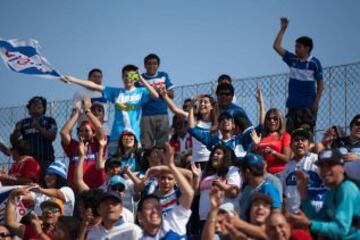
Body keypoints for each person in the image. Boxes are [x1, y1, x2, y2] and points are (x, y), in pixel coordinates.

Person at [62, 64, 159, 154]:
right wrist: (73, 79)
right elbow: (95, 86)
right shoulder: (115, 92)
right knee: (113, 166)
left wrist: (141, 79)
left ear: (135, 78)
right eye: (125, 75)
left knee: (132, 167)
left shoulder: (141, 92)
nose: (128, 78)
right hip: (116, 136)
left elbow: (155, 95)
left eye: (131, 76)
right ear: (122, 77)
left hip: (133, 137)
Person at [288, 149, 360, 239]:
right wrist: (304, 193)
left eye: (330, 165)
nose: (325, 169)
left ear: (342, 168)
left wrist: (309, 223)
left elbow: (341, 230)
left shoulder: (347, 189)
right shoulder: (332, 190)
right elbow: (320, 219)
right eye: (321, 166)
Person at [273, 17, 324, 133]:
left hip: (307, 107)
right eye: (295, 46)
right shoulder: (292, 60)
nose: (296, 49)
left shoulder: (314, 63)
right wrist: (283, 29)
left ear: (307, 48)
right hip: (293, 107)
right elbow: (276, 46)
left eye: (299, 47)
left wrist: (316, 102)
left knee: (305, 135)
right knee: (290, 137)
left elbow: (321, 84)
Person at [136, 143, 195, 239]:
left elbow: (189, 183)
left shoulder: (174, 221)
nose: (166, 182)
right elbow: (138, 188)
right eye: (163, 178)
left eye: (170, 178)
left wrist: (169, 166)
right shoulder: (142, 237)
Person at [162, 91, 218, 168]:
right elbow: (175, 110)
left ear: (212, 106)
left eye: (205, 102)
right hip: (197, 161)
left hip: (210, 159)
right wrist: (165, 96)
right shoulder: (194, 119)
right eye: (201, 102)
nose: (202, 104)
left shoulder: (216, 123)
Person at [10, 96, 57, 184]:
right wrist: (16, 130)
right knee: (29, 185)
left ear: (43, 108)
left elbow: (52, 136)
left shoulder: (50, 121)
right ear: (29, 109)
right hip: (28, 162)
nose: (36, 104)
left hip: (46, 159)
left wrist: (38, 128)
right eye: (33, 104)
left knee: (45, 185)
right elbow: (13, 141)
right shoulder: (23, 122)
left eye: (39, 104)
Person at [61, 102, 107, 190]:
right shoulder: (73, 146)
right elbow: (64, 133)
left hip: (96, 189)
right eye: (81, 131)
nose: (83, 133)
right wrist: (77, 114)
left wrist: (87, 111)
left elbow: (100, 129)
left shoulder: (98, 144)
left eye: (87, 130)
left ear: (93, 133)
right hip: (75, 189)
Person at [281, 128, 327, 214]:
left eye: (303, 140)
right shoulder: (287, 167)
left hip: (314, 213)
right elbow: (283, 193)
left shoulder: (316, 160)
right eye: (296, 140)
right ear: (290, 145)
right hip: (292, 214)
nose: (300, 142)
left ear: (309, 145)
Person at [195, 145, 241, 230]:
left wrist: (220, 185)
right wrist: (197, 177)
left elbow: (234, 192)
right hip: (204, 218)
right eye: (213, 154)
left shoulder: (231, 170)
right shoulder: (206, 173)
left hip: (223, 218)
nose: (214, 155)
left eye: (218, 153)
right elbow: (196, 193)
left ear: (226, 157)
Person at [135, 53, 174, 149]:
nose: (152, 66)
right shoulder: (139, 79)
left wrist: (158, 91)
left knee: (163, 145)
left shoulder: (163, 75)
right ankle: (147, 164)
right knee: (146, 146)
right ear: (144, 65)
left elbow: (172, 94)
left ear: (158, 65)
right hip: (146, 115)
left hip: (162, 114)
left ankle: (161, 163)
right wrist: (151, 93)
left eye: (154, 63)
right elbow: (134, 94)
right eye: (149, 63)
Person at [188, 111, 253, 162]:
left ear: (233, 125)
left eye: (228, 119)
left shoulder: (241, 139)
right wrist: (191, 108)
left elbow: (261, 128)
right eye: (222, 119)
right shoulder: (213, 140)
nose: (225, 121)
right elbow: (192, 130)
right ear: (218, 125)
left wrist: (261, 104)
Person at [239, 153, 281, 220]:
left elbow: (276, 215)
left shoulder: (269, 189)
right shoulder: (247, 189)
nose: (240, 174)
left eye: (240, 171)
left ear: (247, 172)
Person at [255, 108, 291, 176]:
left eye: (275, 118)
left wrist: (273, 153)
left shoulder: (285, 136)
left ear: (280, 120)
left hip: (279, 173)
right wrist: (255, 146)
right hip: (262, 174)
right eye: (269, 119)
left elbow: (287, 158)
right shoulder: (262, 137)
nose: (272, 121)